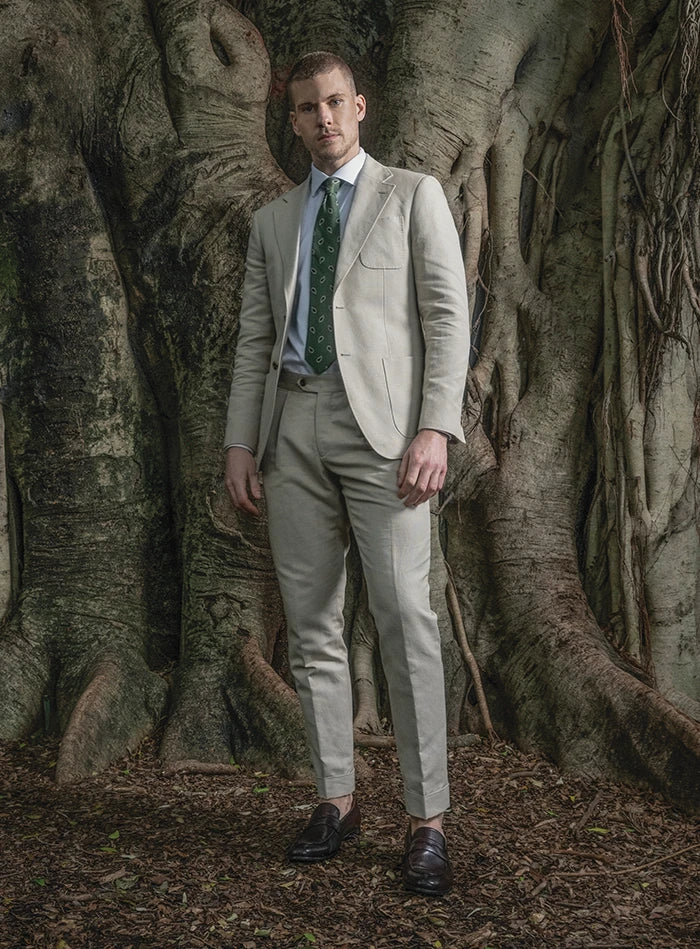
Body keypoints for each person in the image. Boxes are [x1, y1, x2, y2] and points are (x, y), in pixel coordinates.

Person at [224, 50, 469, 896]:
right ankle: (335, 798)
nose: (322, 118)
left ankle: (428, 820)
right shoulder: (272, 222)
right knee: (312, 625)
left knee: (406, 617)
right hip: (291, 428)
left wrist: (435, 426)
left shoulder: (412, 195)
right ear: (291, 120)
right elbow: (256, 338)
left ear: (359, 106)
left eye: (334, 102)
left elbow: (447, 315)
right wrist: (240, 442)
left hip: (387, 437)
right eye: (306, 107)